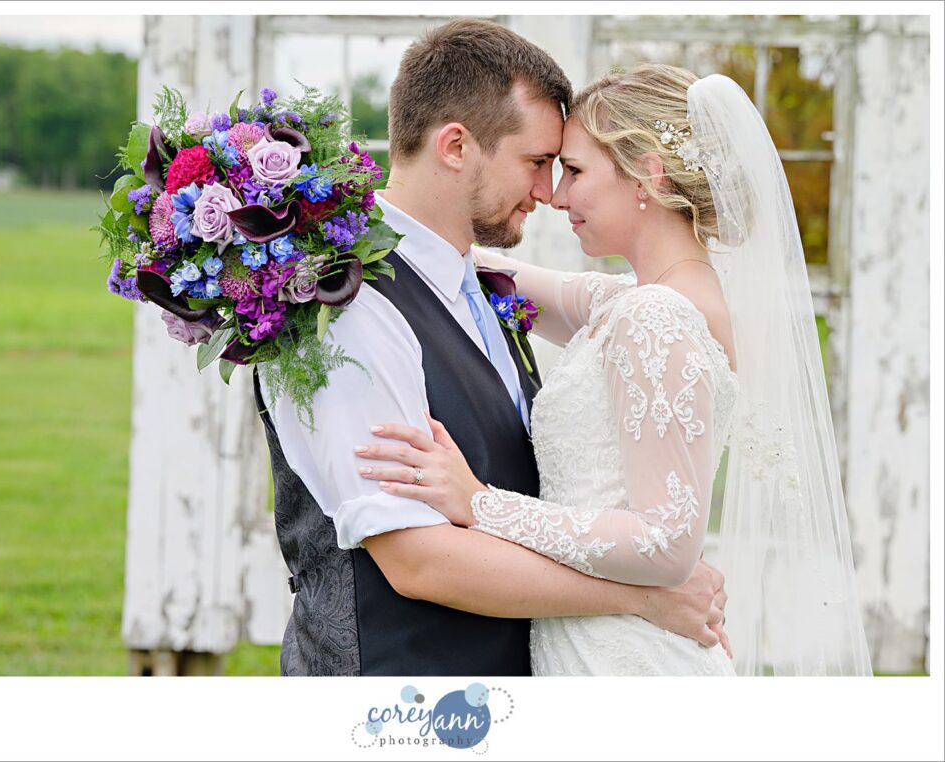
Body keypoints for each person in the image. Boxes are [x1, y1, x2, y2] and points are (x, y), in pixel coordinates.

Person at [358, 63, 873, 675]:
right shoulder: (644, 302)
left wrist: (480, 503)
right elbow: (470, 267)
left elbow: (667, 544)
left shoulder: (654, 317)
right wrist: (319, 217)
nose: (556, 194)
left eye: (573, 170)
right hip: (593, 641)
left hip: (624, 662)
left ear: (647, 175)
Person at [254, 21, 730, 676]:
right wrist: (646, 598)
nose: (549, 193)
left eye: (566, 168)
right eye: (538, 162)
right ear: (455, 146)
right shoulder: (345, 303)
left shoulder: (489, 286)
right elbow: (418, 558)